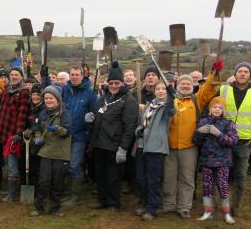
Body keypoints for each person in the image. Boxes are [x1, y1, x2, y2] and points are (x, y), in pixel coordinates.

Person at [161, 61, 221, 218]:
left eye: (188, 83)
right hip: (169, 146)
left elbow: (208, 89)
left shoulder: (196, 100)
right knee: (169, 177)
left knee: (187, 178)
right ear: (177, 85)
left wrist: (213, 73)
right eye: (183, 83)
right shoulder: (170, 99)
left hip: (189, 147)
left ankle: (184, 206)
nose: (186, 86)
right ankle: (169, 204)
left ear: (192, 85)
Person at [219, 61, 251, 215]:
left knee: (240, 175)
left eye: (246, 72)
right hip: (224, 140)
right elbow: (212, 109)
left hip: (244, 141)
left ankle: (236, 206)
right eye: (240, 71)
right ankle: (222, 204)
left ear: (250, 75)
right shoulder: (223, 89)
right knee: (223, 174)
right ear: (235, 74)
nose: (242, 74)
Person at [86, 61, 137, 211]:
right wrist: (91, 118)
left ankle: (114, 203)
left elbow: (130, 126)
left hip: (115, 145)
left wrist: (123, 148)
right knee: (100, 175)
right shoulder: (104, 98)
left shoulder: (129, 101)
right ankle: (102, 200)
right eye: (111, 83)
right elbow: (98, 116)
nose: (114, 85)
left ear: (122, 83)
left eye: (117, 83)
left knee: (113, 176)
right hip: (98, 143)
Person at [134, 81, 176, 220]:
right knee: (141, 178)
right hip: (141, 145)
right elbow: (142, 123)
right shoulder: (149, 105)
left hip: (155, 147)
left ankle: (152, 209)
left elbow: (171, 109)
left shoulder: (166, 107)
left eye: (163, 89)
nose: (160, 91)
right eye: (158, 89)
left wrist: (171, 94)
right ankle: (146, 204)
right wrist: (138, 130)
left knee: (153, 179)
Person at [193, 96, 239, 224]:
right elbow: (196, 141)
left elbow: (233, 141)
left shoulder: (228, 123)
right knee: (207, 186)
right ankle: (208, 212)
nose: (217, 109)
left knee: (222, 186)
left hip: (222, 161)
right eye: (214, 107)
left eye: (220, 107)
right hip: (207, 160)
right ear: (210, 109)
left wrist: (218, 134)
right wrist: (199, 133)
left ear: (223, 110)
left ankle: (227, 214)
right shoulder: (203, 121)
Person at [27, 86, 71, 217]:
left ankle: (55, 208)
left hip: (60, 151)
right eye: (46, 98)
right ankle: (39, 207)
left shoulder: (64, 113)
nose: (48, 100)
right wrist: (38, 138)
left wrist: (56, 129)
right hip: (45, 151)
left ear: (57, 99)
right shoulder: (43, 113)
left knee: (57, 181)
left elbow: (67, 132)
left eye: (51, 98)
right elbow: (38, 129)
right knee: (44, 180)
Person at [0, 67, 31, 203]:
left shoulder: (24, 92)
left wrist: (18, 134)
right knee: (8, 163)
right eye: (12, 75)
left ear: (21, 76)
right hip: (4, 132)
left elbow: (22, 114)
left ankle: (12, 194)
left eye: (16, 75)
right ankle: (11, 191)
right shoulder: (8, 90)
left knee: (12, 164)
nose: (14, 77)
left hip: (13, 134)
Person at [60, 66, 93, 206]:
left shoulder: (89, 92)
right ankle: (67, 193)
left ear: (82, 76)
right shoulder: (64, 91)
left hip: (80, 135)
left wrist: (90, 126)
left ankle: (74, 196)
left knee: (74, 165)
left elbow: (95, 113)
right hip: (64, 135)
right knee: (65, 165)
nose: (74, 77)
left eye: (77, 74)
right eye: (72, 74)